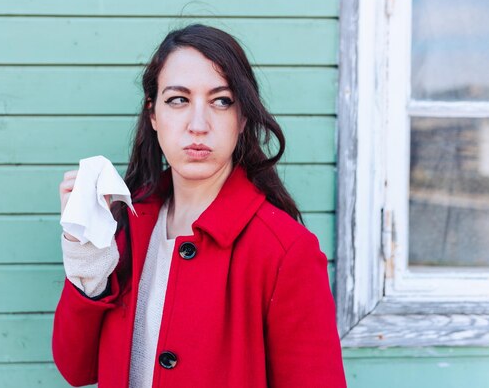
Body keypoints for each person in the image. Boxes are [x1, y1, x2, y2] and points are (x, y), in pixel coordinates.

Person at [53, 23, 346, 388]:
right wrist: (86, 253)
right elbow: (76, 368)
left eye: (221, 101)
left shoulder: (285, 250)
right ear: (153, 114)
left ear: (242, 119)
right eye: (178, 100)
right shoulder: (126, 224)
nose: (198, 124)